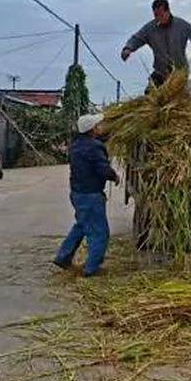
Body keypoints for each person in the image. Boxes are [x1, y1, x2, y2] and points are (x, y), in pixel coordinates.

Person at [54, 114, 120, 277]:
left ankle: (63, 257)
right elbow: (102, 168)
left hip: (77, 193)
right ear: (92, 130)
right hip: (91, 195)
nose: (100, 127)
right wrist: (114, 176)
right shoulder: (94, 147)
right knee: (99, 232)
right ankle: (91, 268)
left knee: (82, 225)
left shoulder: (75, 145)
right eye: (98, 125)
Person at [120, 0, 191, 90]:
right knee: (150, 95)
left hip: (179, 73)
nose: (158, 18)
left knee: (176, 100)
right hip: (160, 72)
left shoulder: (181, 25)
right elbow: (137, 38)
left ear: (167, 11)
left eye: (161, 15)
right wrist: (128, 48)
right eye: (155, 15)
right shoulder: (150, 28)